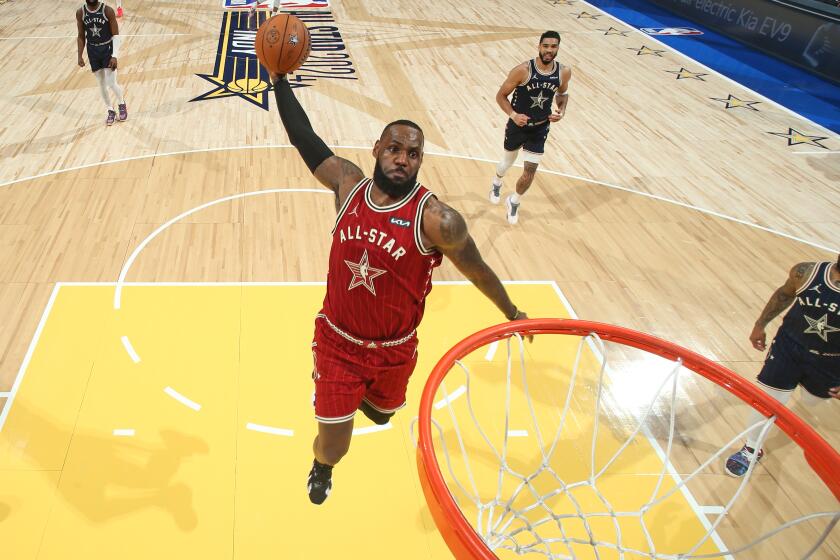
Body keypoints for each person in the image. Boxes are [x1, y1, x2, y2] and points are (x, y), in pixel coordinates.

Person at [270, 72, 532, 505]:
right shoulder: (348, 186)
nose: (402, 159)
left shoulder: (437, 220)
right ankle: (322, 464)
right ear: (377, 149)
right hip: (338, 343)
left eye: (412, 153)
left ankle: (365, 400)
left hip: (396, 349)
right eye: (393, 149)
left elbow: (478, 269)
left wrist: (511, 312)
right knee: (334, 445)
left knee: (382, 415)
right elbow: (304, 137)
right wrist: (279, 80)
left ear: (420, 161)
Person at [725, 255, 840, 477]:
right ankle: (751, 448)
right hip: (789, 347)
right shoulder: (806, 272)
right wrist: (760, 324)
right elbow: (784, 294)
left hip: (831, 360)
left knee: (813, 401)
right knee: (768, 400)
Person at [490, 31, 572, 225]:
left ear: (558, 48)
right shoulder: (523, 70)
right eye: (546, 46)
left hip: (540, 128)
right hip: (518, 126)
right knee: (507, 163)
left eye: (553, 47)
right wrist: (513, 115)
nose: (549, 50)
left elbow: (563, 94)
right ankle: (497, 181)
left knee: (530, 171)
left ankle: (514, 201)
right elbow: (500, 96)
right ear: (539, 46)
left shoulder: (564, 72)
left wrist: (561, 111)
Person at [76, 0, 127, 126]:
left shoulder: (107, 11)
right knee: (101, 83)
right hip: (92, 50)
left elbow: (116, 35)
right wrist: (79, 55)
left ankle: (121, 103)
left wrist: (114, 56)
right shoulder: (81, 12)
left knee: (111, 82)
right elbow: (81, 35)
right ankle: (110, 110)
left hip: (107, 49)